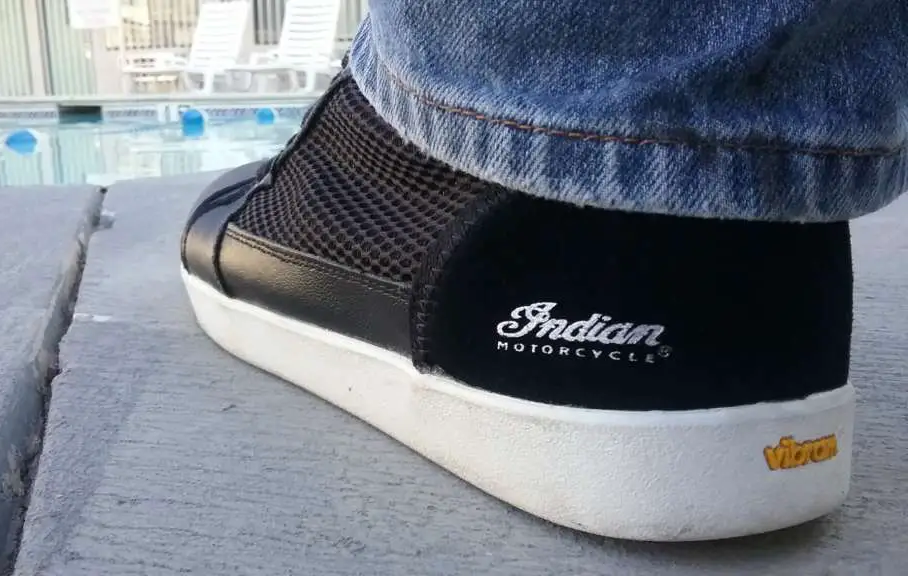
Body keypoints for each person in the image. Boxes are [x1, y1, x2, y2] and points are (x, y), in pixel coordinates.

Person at [180, 0, 907, 542]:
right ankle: (703, 211)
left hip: (509, 224)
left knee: (528, 121)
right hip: (794, 267)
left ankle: (475, 157)